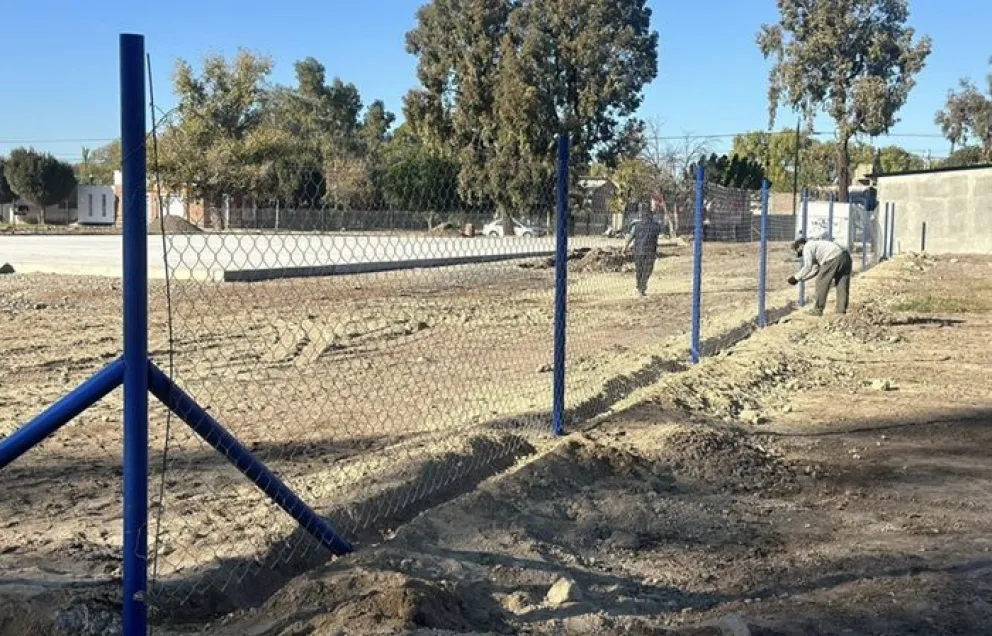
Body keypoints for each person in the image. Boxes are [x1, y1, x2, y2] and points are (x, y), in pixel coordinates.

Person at [788, 237, 852, 316]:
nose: (797, 253)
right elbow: (816, 269)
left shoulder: (807, 247)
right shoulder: (816, 246)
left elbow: (807, 267)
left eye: (796, 249)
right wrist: (803, 279)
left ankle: (818, 309)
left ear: (801, 245)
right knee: (842, 284)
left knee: (821, 283)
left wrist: (795, 278)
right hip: (845, 256)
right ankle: (841, 310)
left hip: (833, 258)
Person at [624, 205, 662, 296]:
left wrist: (625, 247)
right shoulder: (656, 226)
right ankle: (642, 287)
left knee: (639, 270)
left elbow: (630, 237)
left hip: (639, 251)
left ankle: (640, 287)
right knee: (647, 270)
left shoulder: (636, 225)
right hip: (650, 252)